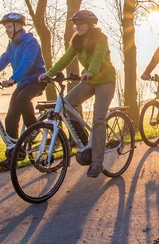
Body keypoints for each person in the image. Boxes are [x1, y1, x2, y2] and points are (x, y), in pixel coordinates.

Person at [39, 10, 117, 178]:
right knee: (67, 104)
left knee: (98, 119)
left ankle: (97, 162)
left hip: (105, 81)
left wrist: (90, 71)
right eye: (76, 24)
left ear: (90, 24)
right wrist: (49, 73)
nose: (77, 26)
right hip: (89, 80)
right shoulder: (76, 41)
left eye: (81, 23)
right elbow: (65, 58)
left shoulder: (101, 38)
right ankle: (83, 140)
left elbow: (98, 57)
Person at [0, 12, 46, 168]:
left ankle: (34, 129)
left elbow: (27, 63)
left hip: (36, 81)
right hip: (22, 83)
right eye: (5, 27)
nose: (7, 30)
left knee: (23, 98)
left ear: (19, 26)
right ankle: (14, 156)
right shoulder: (11, 45)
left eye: (8, 27)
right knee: (10, 119)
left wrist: (13, 79)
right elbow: (1, 62)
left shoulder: (30, 42)